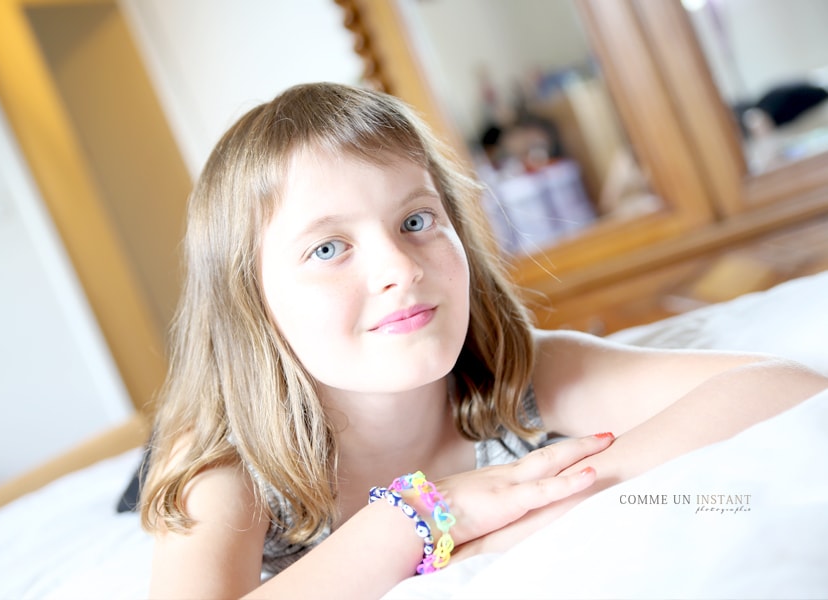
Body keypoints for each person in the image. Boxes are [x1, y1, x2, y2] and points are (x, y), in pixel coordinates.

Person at [140, 82, 827, 599]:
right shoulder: (226, 465)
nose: (399, 269)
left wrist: (515, 524)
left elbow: (785, 385)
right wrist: (428, 516)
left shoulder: (518, 374)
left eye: (416, 221)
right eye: (327, 248)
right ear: (249, 299)